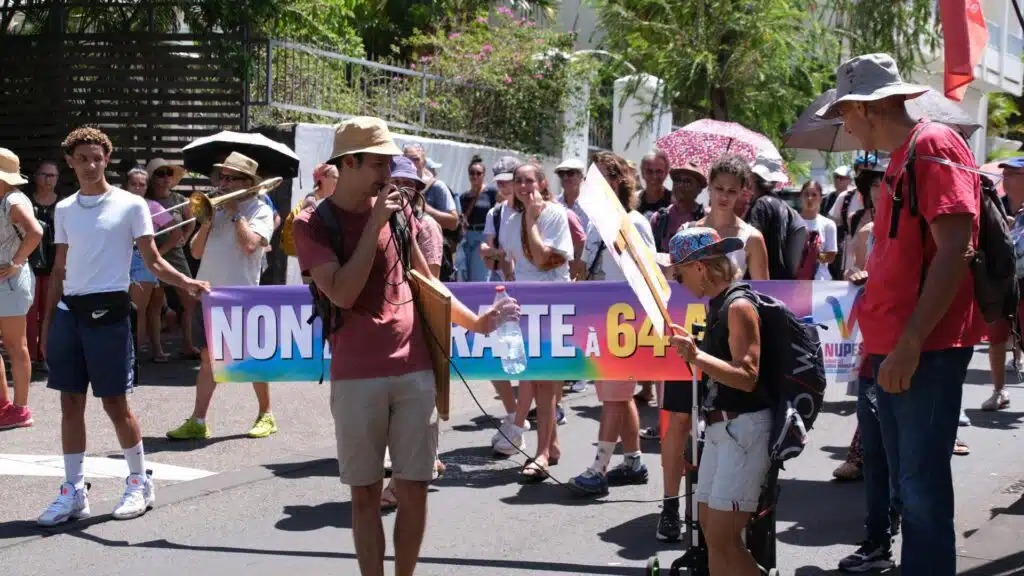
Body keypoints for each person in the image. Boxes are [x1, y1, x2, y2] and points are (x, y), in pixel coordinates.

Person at [292, 116, 517, 576]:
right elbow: (344, 293)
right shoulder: (313, 222)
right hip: (357, 376)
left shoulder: (401, 214)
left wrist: (478, 322)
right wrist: (376, 221)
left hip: (415, 370)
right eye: (377, 163)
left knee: (414, 489)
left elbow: (428, 284)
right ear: (348, 162)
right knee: (366, 494)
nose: (387, 173)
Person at [818, 52, 986, 576]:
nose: (843, 125)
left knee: (921, 489)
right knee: (905, 486)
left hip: (923, 351)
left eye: (844, 111)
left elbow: (957, 248)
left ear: (867, 107)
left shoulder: (932, 145)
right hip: (895, 348)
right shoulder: (902, 156)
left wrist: (910, 342)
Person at [37, 127, 209, 526]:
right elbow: (60, 269)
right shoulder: (63, 210)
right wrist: (48, 324)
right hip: (69, 314)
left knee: (115, 404)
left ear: (106, 159)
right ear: (70, 162)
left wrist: (187, 283)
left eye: (97, 157)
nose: (91, 164)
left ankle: (138, 480)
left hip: (110, 313)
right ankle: (74, 490)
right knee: (70, 403)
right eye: (83, 158)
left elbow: (152, 260)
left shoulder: (131, 206)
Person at [665, 226, 773, 576]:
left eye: (680, 274)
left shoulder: (738, 305)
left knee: (724, 539)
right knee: (714, 536)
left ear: (699, 267)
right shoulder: (721, 303)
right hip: (722, 429)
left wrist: (696, 357)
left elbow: (748, 376)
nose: (681, 283)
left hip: (743, 429)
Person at [166, 152, 277, 441]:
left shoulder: (259, 209)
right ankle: (198, 420)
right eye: (222, 177)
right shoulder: (213, 210)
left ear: (247, 182)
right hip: (210, 293)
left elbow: (251, 246)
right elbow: (196, 252)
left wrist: (235, 212)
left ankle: (266, 414)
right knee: (207, 359)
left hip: (242, 295)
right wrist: (205, 222)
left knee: (252, 359)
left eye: (230, 178)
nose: (223, 183)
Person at [568, 152, 653, 495]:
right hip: (600, 318)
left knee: (615, 397)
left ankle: (599, 467)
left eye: (599, 177)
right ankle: (633, 462)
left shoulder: (635, 222)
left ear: (617, 182)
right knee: (617, 394)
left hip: (626, 322)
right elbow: (587, 269)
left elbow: (649, 274)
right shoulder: (594, 224)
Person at [493, 161, 574, 480]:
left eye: (529, 181)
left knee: (545, 379)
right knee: (540, 378)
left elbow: (542, 259)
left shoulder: (554, 215)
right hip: (525, 305)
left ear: (541, 183)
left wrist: (531, 218)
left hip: (554, 304)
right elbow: (510, 264)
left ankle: (541, 453)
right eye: (518, 181)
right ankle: (550, 445)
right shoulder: (509, 219)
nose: (523, 186)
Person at [479, 155, 529, 454]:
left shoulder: (536, 213)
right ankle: (513, 416)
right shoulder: (496, 213)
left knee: (524, 363)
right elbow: (487, 251)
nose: (505, 188)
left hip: (527, 294)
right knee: (494, 357)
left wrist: (501, 254)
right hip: (499, 290)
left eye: (509, 182)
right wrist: (500, 255)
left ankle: (519, 426)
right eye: (499, 183)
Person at [0, 148, 43, 430]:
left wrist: (16, 262)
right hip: (7, 280)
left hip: (11, 281)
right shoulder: (6, 198)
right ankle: (5, 406)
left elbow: (35, 232)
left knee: (16, 346)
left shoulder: (13, 199)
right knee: (14, 346)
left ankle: (21, 409)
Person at [981, 156, 1024, 413]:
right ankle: (999, 391)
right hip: (1001, 282)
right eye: (1004, 173)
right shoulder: (996, 205)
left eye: (1012, 174)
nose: (1004, 178)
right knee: (996, 338)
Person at [145, 158, 199, 359]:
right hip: (152, 253)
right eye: (160, 173)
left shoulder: (179, 199)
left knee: (189, 300)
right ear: (152, 177)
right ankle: (157, 350)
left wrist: (185, 236)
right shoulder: (145, 199)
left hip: (175, 254)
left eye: (169, 173)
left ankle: (188, 344)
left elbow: (191, 221)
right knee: (156, 303)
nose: (166, 177)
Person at [125, 167, 171, 362]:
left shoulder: (152, 206)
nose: (137, 188)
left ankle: (134, 352)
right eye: (133, 184)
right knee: (122, 308)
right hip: (120, 258)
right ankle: (125, 350)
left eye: (141, 184)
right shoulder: (117, 204)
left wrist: (157, 254)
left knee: (138, 309)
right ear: (126, 185)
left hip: (142, 259)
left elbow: (175, 230)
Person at [25, 160, 60, 371]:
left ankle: (47, 355)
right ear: (36, 177)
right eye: (44, 174)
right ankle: (28, 357)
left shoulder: (64, 204)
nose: (48, 180)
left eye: (52, 175)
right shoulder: (26, 203)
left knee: (51, 314)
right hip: (28, 266)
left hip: (55, 267)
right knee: (29, 315)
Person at [650, 161, 707, 253]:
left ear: (699, 189)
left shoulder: (704, 219)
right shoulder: (659, 218)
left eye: (687, 182)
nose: (680, 185)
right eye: (677, 180)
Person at [458, 154, 496, 282]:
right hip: (468, 237)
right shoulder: (464, 197)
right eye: (472, 173)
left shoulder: (491, 192)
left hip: (482, 236)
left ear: (483, 175)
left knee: (479, 275)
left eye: (478, 173)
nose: (474, 176)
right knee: (464, 273)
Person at [797, 180, 838, 280]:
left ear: (820, 199)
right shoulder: (792, 222)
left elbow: (831, 257)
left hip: (820, 281)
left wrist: (814, 255)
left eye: (814, 195)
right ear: (801, 197)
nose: (809, 198)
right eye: (806, 194)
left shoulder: (828, 225)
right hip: (796, 281)